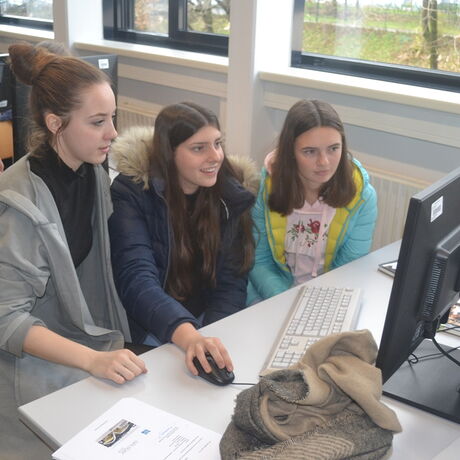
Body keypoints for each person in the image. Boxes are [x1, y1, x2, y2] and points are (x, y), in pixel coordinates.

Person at [0, 43, 146, 458]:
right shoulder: (19, 203)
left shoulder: (92, 172)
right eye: (98, 121)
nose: (113, 133)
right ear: (55, 123)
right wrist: (92, 361)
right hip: (29, 371)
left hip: (82, 349)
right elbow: (6, 319)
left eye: (112, 118)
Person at [108, 102, 258, 377]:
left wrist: (212, 337)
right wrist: (190, 337)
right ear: (169, 153)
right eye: (199, 148)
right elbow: (137, 280)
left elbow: (232, 281)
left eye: (217, 144)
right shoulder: (132, 192)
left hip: (204, 321)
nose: (215, 157)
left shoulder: (230, 194)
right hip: (153, 325)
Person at [247, 99, 377, 305]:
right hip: (273, 295)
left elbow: (349, 266)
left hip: (328, 297)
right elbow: (259, 261)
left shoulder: (362, 197)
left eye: (333, 148)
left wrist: (314, 305)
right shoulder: (266, 190)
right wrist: (284, 301)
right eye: (310, 151)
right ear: (290, 152)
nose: (323, 162)